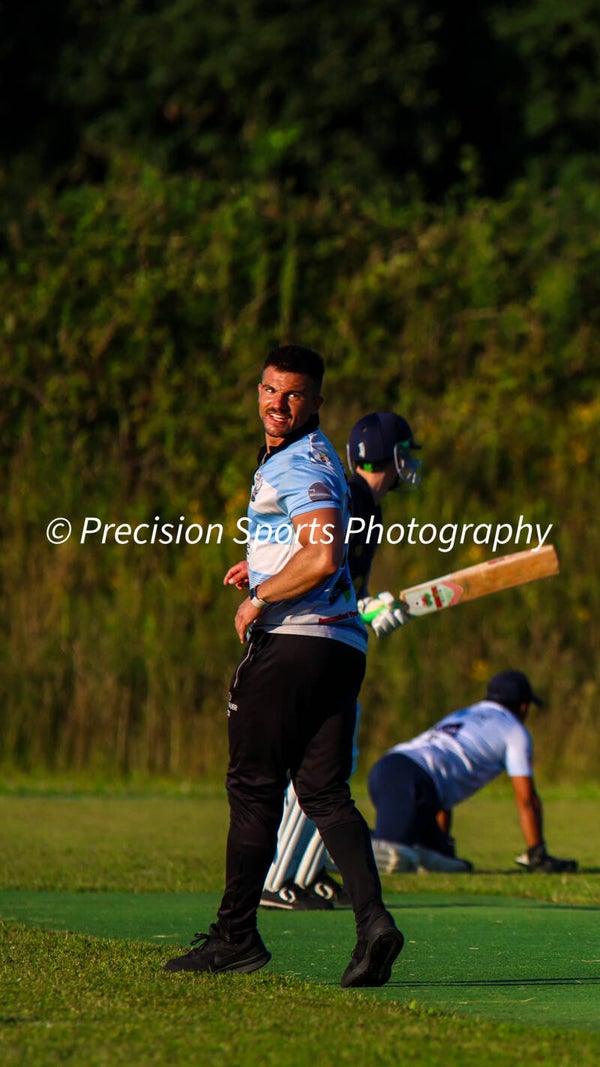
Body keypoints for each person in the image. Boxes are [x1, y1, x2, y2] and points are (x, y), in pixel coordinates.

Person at [165, 344, 404, 987]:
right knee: (324, 793)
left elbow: (323, 557)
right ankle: (374, 924)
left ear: (316, 403)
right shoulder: (314, 457)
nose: (278, 403)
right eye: (270, 389)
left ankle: (235, 937)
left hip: (292, 645)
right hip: (340, 646)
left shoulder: (301, 462)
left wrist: (260, 596)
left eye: (293, 394)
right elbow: (307, 544)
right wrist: (267, 562)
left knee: (253, 790)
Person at [259, 411, 423, 910]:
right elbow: (322, 572)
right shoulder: (354, 501)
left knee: (334, 765)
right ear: (392, 457)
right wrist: (364, 606)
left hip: (330, 639)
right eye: (406, 453)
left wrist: (373, 605)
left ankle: (304, 874)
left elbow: (351, 585)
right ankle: (275, 881)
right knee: (313, 769)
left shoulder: (369, 506)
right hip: (309, 642)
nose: (409, 463)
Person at [368, 669, 578, 874]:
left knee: (447, 863)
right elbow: (527, 799)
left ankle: (360, 842)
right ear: (524, 706)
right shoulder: (514, 730)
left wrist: (443, 843)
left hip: (390, 767)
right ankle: (343, 843)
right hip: (410, 781)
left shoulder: (463, 715)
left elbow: (440, 779)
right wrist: (537, 852)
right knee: (391, 857)